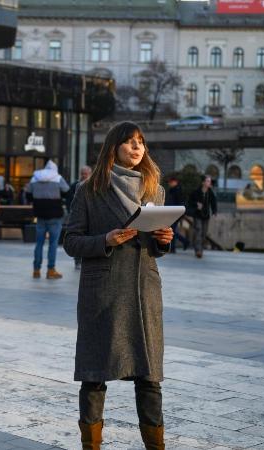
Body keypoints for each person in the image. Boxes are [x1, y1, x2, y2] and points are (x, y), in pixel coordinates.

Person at [63, 121, 172, 450]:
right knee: (94, 375)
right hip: (103, 295)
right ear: (113, 147)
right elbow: (70, 241)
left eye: (140, 142)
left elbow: (155, 246)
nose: (137, 148)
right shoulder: (89, 190)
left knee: (150, 379)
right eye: (128, 142)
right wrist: (105, 240)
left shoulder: (155, 189)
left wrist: (164, 240)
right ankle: (90, 445)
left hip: (143, 293)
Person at [26, 160, 70, 279]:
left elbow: (28, 194)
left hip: (40, 215)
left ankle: (36, 270)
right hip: (55, 215)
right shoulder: (57, 178)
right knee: (53, 243)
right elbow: (67, 191)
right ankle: (51, 270)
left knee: (39, 243)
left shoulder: (35, 177)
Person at [187, 175, 217, 258]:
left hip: (206, 215)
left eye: (209, 181)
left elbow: (213, 203)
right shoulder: (196, 192)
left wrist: (214, 212)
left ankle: (200, 249)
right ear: (203, 182)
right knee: (198, 231)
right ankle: (198, 250)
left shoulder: (210, 192)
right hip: (197, 215)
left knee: (204, 233)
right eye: (207, 181)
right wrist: (196, 204)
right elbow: (190, 201)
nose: (209, 183)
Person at [68, 165, 92, 270]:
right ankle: (77, 261)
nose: (84, 175)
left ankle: (85, 259)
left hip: (91, 216)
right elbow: (69, 200)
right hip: (79, 215)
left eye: (86, 174)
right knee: (78, 237)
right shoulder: (75, 185)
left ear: (90, 174)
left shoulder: (94, 185)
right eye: (82, 173)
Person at [165, 176, 189, 253]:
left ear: (175, 182)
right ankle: (184, 242)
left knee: (172, 230)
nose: (169, 184)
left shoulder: (177, 190)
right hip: (172, 213)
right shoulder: (173, 190)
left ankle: (174, 247)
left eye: (171, 182)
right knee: (172, 230)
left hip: (175, 213)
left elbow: (179, 203)